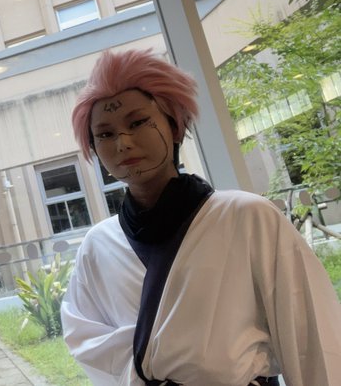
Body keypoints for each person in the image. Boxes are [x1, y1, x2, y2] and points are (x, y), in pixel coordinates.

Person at [60, 49, 341, 386]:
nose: (122, 142)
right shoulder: (98, 245)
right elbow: (83, 336)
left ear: (175, 125)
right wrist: (153, 358)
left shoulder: (246, 216)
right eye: (105, 134)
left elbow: (311, 336)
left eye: (137, 122)